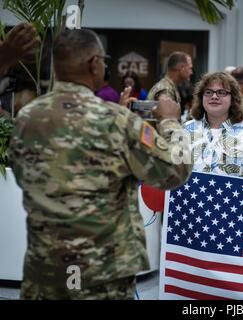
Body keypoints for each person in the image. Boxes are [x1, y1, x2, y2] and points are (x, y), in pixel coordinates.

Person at [8, 29, 192, 300]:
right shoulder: (117, 121)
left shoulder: (26, 117)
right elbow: (176, 171)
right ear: (94, 64)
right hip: (101, 274)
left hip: (45, 266)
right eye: (103, 61)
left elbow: (25, 176)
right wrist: (169, 122)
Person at [183, 72, 243, 181]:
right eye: (208, 92)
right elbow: (169, 173)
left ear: (233, 98)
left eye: (221, 92)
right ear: (201, 97)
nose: (214, 96)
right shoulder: (185, 130)